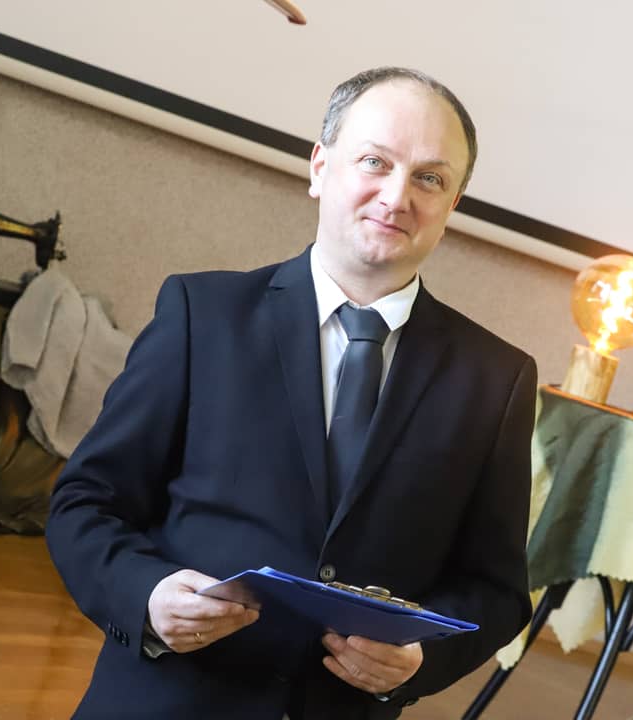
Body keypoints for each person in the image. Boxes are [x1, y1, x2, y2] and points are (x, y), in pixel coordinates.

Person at [45, 66, 537, 720]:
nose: (397, 197)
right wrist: (148, 595)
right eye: (375, 162)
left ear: (451, 206)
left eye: (430, 178)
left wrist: (422, 660)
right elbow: (85, 501)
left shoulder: (497, 379)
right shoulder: (202, 314)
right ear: (320, 167)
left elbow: (497, 590)